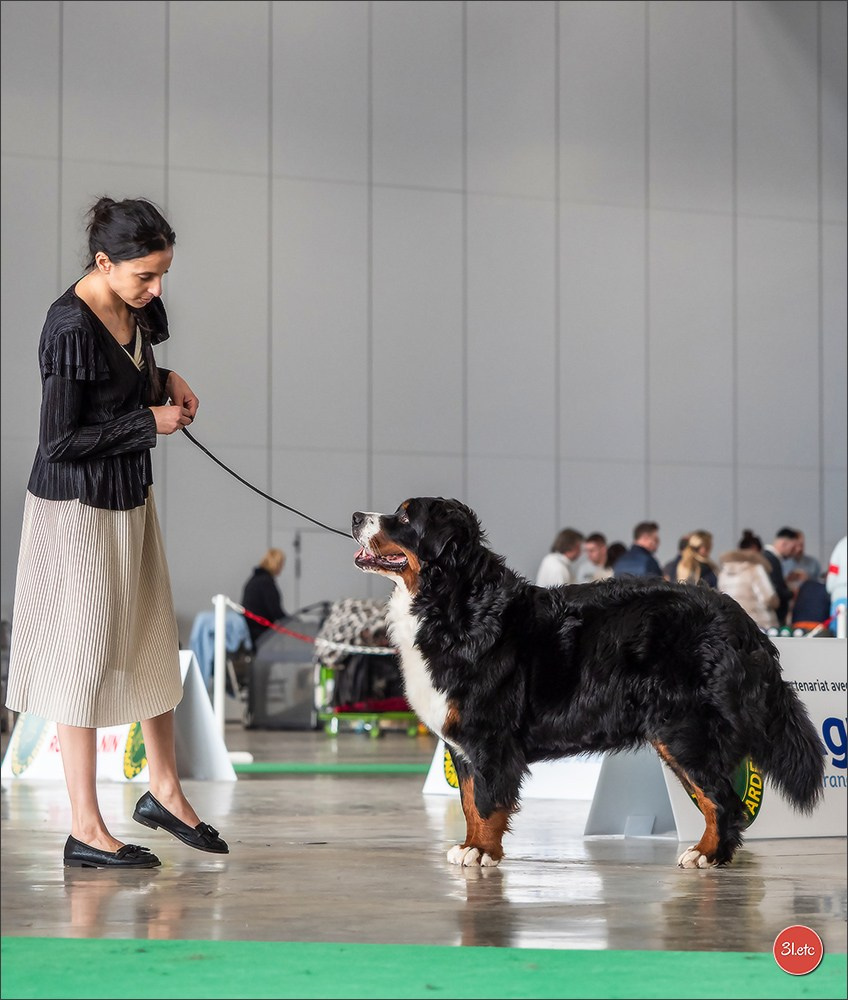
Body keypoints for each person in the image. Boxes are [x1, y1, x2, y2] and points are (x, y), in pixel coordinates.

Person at [4, 196, 228, 869]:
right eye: (144, 276)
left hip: (130, 499)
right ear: (104, 262)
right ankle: (85, 828)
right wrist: (146, 423)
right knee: (82, 659)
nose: (156, 290)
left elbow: (130, 374)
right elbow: (59, 441)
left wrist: (165, 379)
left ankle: (165, 791)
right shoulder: (68, 325)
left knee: (152, 644)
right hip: (76, 513)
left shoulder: (137, 307)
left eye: (162, 275)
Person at [717, 536, 779, 630]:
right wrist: (776, 602)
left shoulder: (723, 572)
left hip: (733, 624)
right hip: (759, 624)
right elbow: (768, 598)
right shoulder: (755, 569)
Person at [241, 547, 287, 646]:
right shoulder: (266, 582)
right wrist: (293, 623)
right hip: (260, 633)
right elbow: (275, 611)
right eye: (281, 564)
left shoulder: (254, 579)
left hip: (251, 630)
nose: (282, 567)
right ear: (276, 564)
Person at [762, 527, 799, 627]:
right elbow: (776, 589)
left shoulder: (766, 556)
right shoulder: (772, 559)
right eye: (793, 548)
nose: (795, 552)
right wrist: (792, 593)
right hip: (773, 617)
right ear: (784, 543)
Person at [825, 535, 847, 635]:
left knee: (837, 634)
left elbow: (833, 572)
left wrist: (830, 588)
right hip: (840, 593)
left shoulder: (841, 544)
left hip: (839, 594)